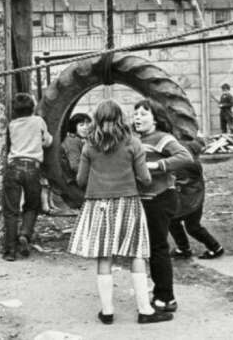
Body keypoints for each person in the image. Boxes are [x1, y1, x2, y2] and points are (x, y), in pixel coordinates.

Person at [68, 100, 172, 324]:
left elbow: (80, 180)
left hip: (98, 205)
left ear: (96, 119)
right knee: (136, 254)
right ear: (120, 118)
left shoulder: (89, 145)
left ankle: (107, 312)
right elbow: (144, 178)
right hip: (128, 203)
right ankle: (145, 311)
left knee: (104, 256)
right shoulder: (133, 143)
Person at [132, 99, 193, 315]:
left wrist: (157, 165)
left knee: (158, 248)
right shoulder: (136, 138)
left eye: (143, 114)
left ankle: (166, 297)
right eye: (135, 113)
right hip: (144, 200)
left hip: (160, 198)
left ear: (155, 119)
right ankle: (159, 291)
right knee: (150, 249)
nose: (137, 117)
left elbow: (186, 157)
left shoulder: (162, 138)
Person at [3, 93, 52, 261]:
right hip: (32, 167)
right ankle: (25, 233)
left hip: (14, 167)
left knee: (11, 210)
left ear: (15, 111)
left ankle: (10, 251)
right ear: (33, 108)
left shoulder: (12, 125)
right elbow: (47, 142)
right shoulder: (38, 121)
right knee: (32, 205)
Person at [169, 139, 224, 260]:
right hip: (192, 198)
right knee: (175, 222)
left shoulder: (188, 163)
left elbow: (181, 180)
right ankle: (184, 249)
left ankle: (215, 248)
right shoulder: (191, 162)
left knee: (190, 226)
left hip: (190, 199)